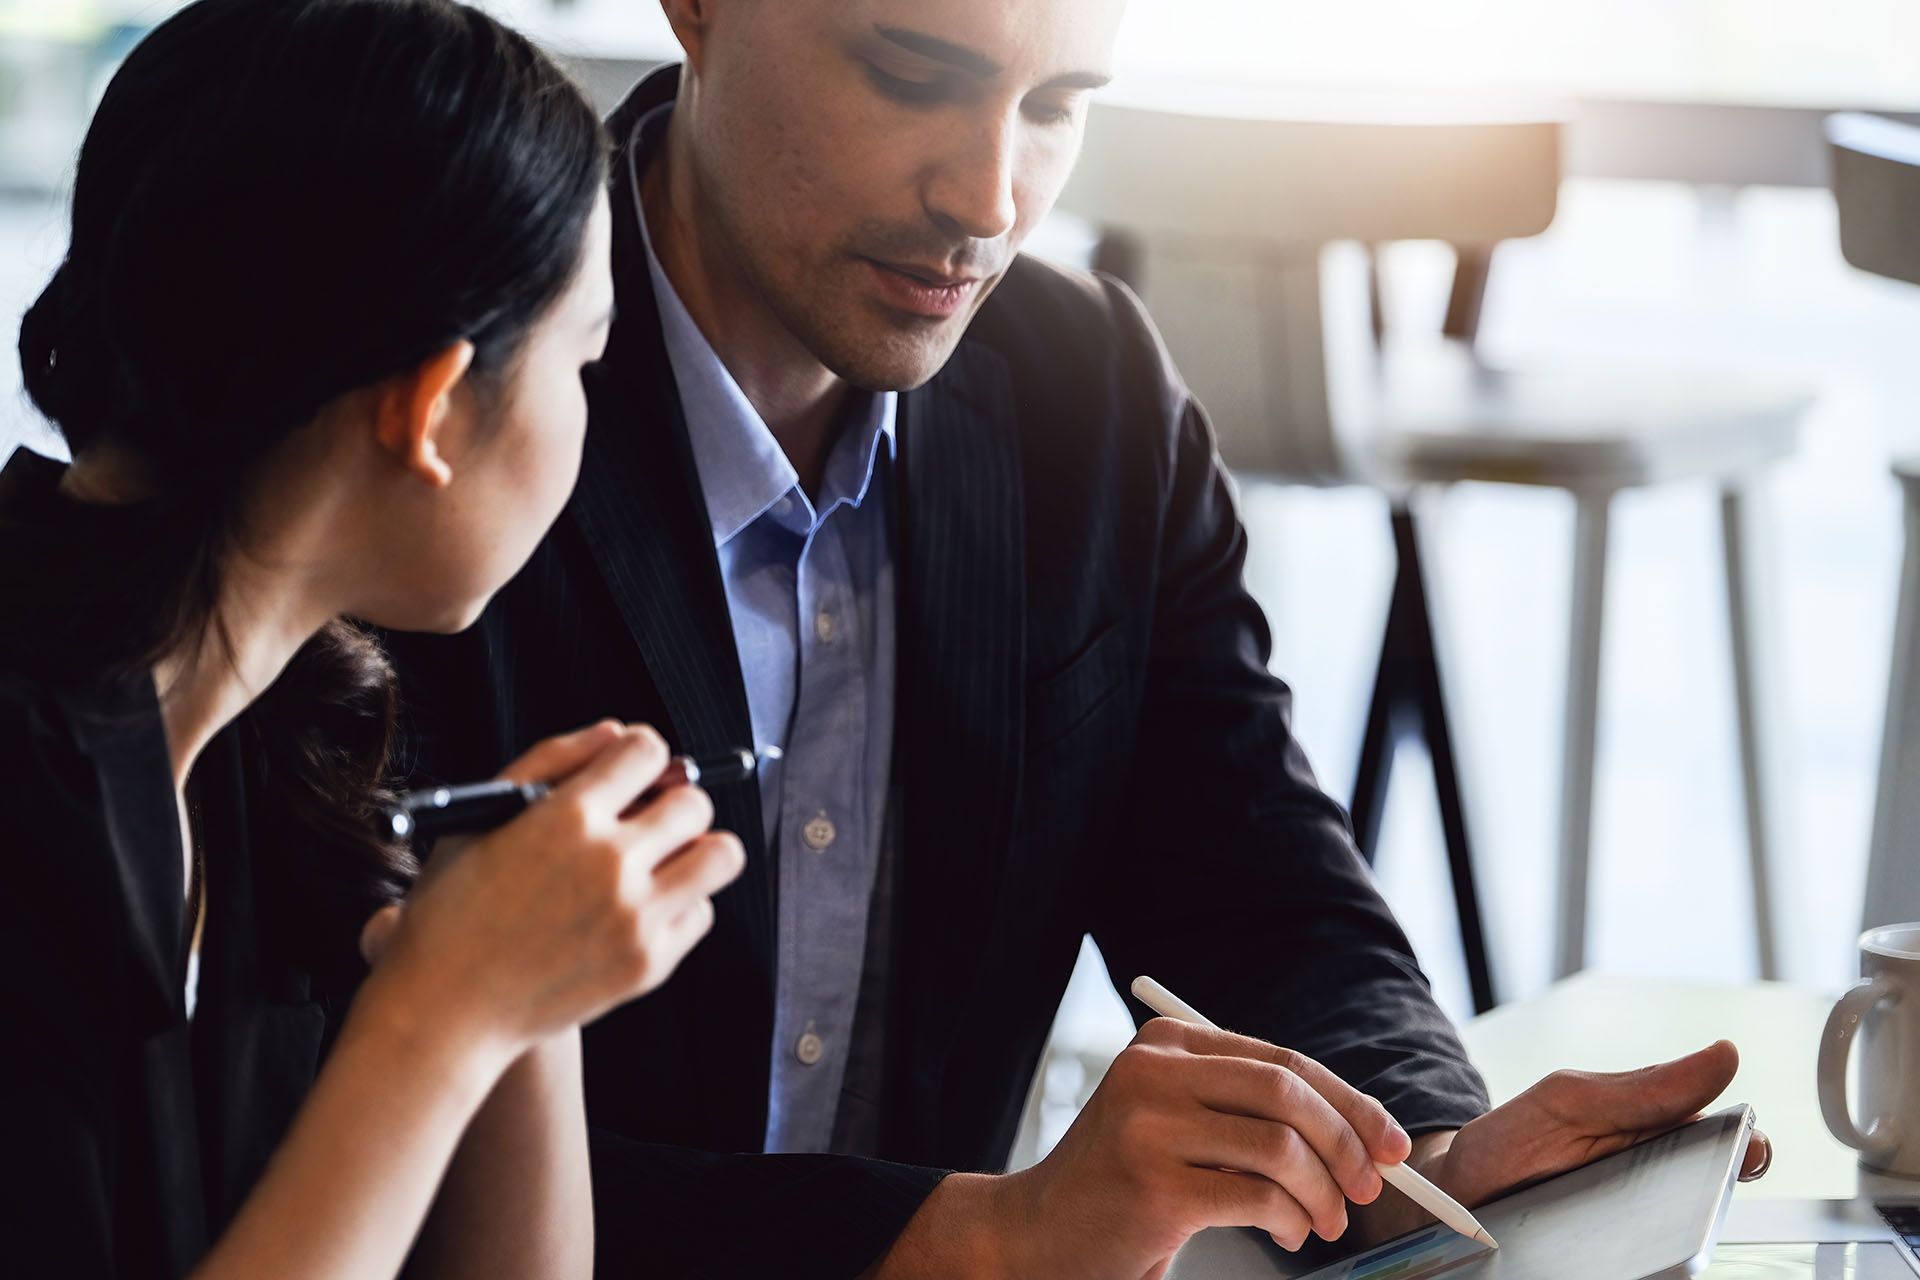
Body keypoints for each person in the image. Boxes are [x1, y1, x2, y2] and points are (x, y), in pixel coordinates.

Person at [383, 0, 1774, 1275]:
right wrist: (983, 1237)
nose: (989, 200)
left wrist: (1432, 1162)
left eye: (1057, 105)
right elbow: (337, 1118)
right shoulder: (438, 395)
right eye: (909, 74)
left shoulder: (1086, 395)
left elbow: (1260, 896)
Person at [0, 1, 746, 1275]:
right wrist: (444, 1013)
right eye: (585, 361)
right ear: (434, 410)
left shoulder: (248, 736)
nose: (587, 419)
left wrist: (521, 979)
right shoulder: (34, 801)